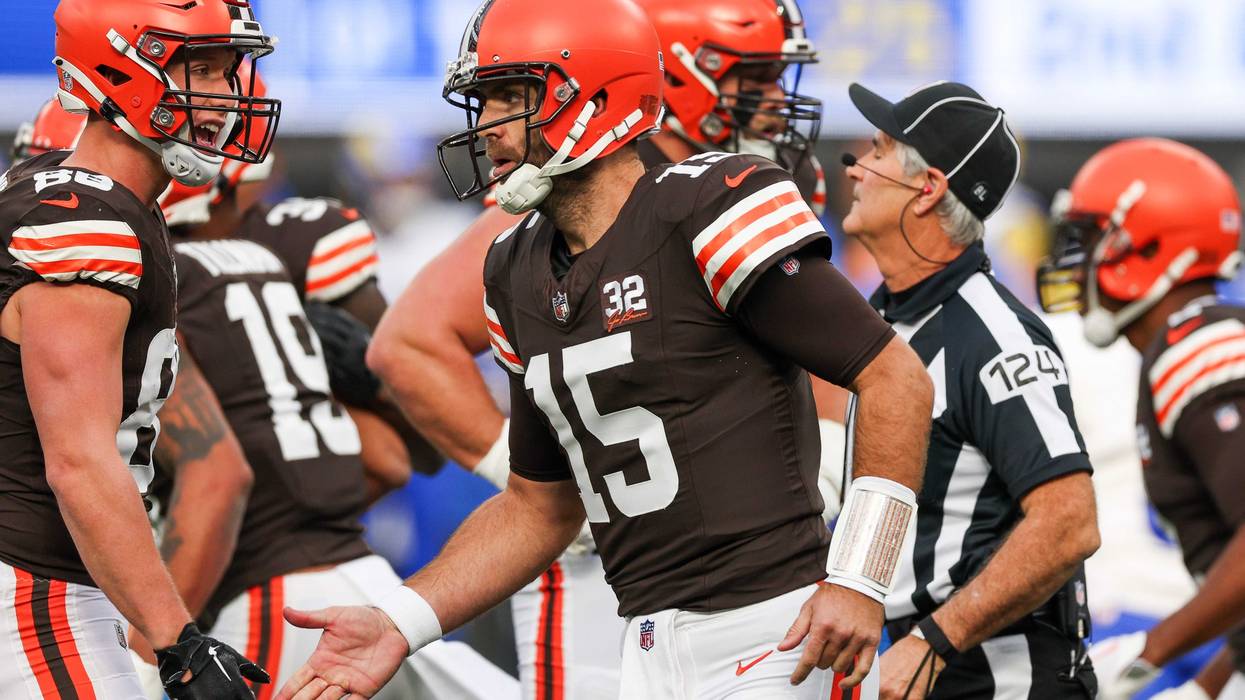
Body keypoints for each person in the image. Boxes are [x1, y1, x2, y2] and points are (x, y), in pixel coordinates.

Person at [280, 1, 933, 698]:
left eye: (512, 96)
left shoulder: (709, 205)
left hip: (775, 631)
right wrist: (398, 621)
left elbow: (896, 378)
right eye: (482, 100)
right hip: (643, 643)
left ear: (597, 97)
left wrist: (861, 578)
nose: (487, 125)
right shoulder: (513, 268)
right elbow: (540, 506)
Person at [3, 82, 512, 698]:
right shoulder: (241, 256)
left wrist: (168, 642)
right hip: (350, 579)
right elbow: (392, 456)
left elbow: (215, 479)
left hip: (254, 592)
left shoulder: (155, 266)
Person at [0, 0, 280, 697]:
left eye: (227, 69)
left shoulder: (109, 204)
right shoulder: (82, 220)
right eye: (199, 68)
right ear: (116, 68)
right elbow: (78, 460)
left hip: (58, 580)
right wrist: (177, 642)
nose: (224, 95)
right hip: (32, 585)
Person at [839, 81, 1101, 699]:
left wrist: (933, 640)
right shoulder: (889, 320)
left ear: (927, 189)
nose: (855, 166)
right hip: (921, 659)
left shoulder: (995, 336)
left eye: (878, 150)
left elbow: (1069, 523)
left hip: (998, 674)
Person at [1037, 138, 1245, 700]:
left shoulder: (1196, 349)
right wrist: (1206, 687)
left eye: (1087, 240)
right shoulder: (1192, 341)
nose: (1072, 262)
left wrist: (1150, 649)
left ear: (1143, 246)